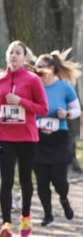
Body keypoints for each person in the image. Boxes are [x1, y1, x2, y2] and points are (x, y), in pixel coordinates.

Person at [0, 40, 48, 237]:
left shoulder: (33, 80)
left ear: (25, 57)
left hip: (27, 137)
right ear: (7, 56)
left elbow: (43, 109)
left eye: (18, 53)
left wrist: (21, 102)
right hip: (5, 136)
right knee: (6, 180)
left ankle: (25, 216)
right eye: (11, 52)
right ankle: (6, 223)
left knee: (25, 179)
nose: (14, 55)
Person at [33, 51, 81, 226]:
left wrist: (66, 113)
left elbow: (77, 110)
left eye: (40, 66)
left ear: (51, 68)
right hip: (38, 138)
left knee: (59, 179)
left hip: (59, 137)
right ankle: (48, 215)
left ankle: (64, 199)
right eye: (36, 66)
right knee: (42, 180)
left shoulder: (64, 87)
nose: (36, 70)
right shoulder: (33, 85)